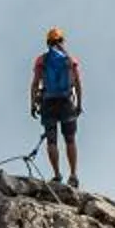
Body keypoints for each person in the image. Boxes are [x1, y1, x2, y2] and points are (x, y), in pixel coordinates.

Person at [29, 26, 83, 188]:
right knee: (70, 140)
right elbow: (78, 84)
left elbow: (35, 84)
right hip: (66, 102)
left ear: (47, 43)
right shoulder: (70, 60)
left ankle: (57, 175)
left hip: (48, 103)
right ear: (62, 41)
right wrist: (79, 104)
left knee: (51, 141)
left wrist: (32, 103)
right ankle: (73, 175)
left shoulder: (42, 60)